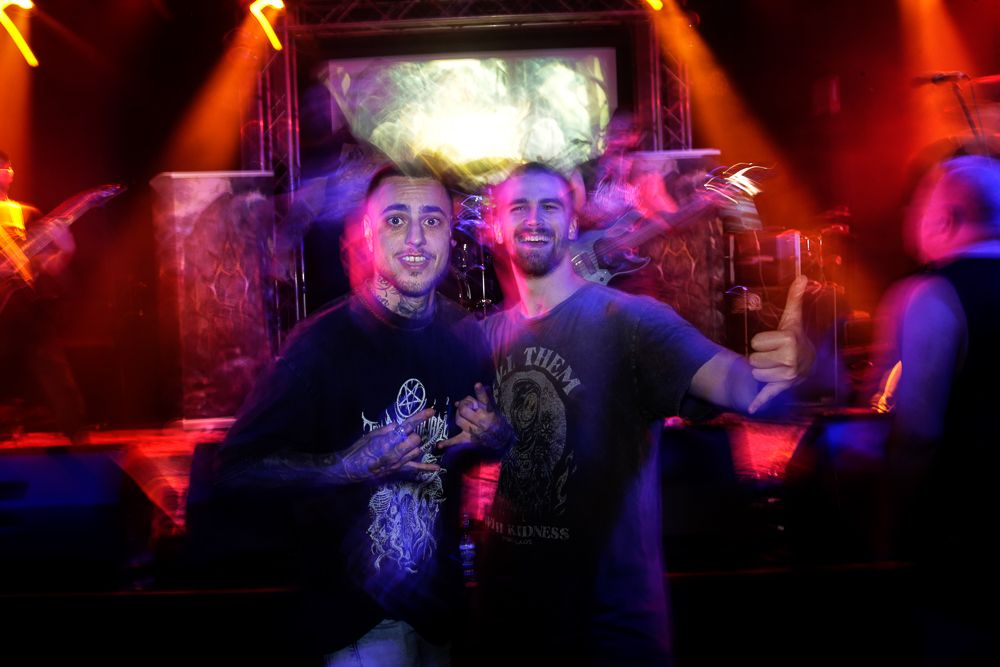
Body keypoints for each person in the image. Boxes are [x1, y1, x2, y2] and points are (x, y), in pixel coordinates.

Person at [442, 162, 813, 665]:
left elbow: (742, 386)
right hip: (509, 624)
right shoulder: (484, 337)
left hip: (608, 629)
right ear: (497, 228)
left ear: (571, 224)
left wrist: (793, 361)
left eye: (549, 206)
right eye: (518, 207)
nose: (534, 219)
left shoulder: (632, 321)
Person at [214, 165, 501, 665]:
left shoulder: (464, 335)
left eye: (432, 220)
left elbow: (467, 454)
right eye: (396, 220)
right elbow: (234, 471)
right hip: (354, 626)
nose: (416, 238)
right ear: (369, 234)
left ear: (450, 234)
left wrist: (493, 438)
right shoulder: (321, 345)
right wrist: (342, 467)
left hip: (440, 617)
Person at [876, 155, 1000, 664]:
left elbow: (918, 433)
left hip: (967, 545)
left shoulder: (935, 293)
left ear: (947, 218)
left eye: (919, 207)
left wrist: (889, 528)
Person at [0, 150, 86, 442]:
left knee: (57, 375)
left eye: (7, 166)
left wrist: (66, 249)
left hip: (28, 308)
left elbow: (49, 265)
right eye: (1, 167)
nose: (6, 171)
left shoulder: (27, 214)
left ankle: (77, 438)